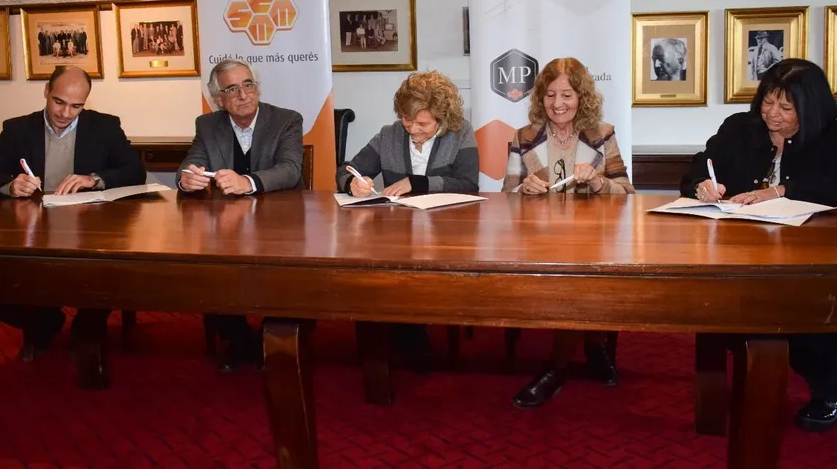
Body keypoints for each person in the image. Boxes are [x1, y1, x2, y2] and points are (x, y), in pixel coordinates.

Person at [681, 58, 837, 432]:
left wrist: (781, 190)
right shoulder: (738, 129)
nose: (773, 114)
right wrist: (704, 185)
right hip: (745, 251)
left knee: (804, 321)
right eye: (768, 101)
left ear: (810, 108)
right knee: (724, 313)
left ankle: (830, 388)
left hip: (812, 254)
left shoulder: (832, 137)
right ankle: (743, 383)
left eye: (786, 107)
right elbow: (695, 170)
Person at [0, 66, 145, 363]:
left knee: (107, 268)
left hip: (91, 226)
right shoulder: (17, 129)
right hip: (35, 225)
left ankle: (88, 324)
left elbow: (135, 171)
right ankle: (44, 320)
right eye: (58, 102)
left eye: (76, 106)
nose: (65, 113)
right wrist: (12, 185)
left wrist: (94, 179)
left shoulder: (105, 126)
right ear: (46, 92)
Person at [503, 57, 635, 408]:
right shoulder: (524, 137)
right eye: (549, 95)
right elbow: (505, 198)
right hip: (542, 241)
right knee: (571, 278)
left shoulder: (602, 134)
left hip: (594, 241)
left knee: (581, 275)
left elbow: (627, 192)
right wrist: (523, 191)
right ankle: (594, 346)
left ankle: (556, 369)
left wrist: (598, 181)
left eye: (566, 95)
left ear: (582, 98)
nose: (558, 104)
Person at [337, 70, 479, 365]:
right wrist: (352, 182)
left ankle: (412, 334)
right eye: (406, 119)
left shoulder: (460, 132)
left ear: (442, 117)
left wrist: (419, 182)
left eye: (422, 123)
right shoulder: (389, 135)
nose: (413, 129)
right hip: (397, 233)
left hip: (446, 234)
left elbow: (468, 183)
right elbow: (348, 168)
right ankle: (397, 334)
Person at [177, 59, 304, 372]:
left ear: (257, 88)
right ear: (218, 99)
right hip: (228, 226)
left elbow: (290, 170)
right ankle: (243, 340)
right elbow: (191, 162)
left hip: (280, 224)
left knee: (292, 281)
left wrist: (247, 182)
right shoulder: (207, 125)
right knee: (208, 271)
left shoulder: (286, 120)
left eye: (249, 85)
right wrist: (186, 178)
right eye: (231, 89)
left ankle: (279, 336)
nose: (243, 94)